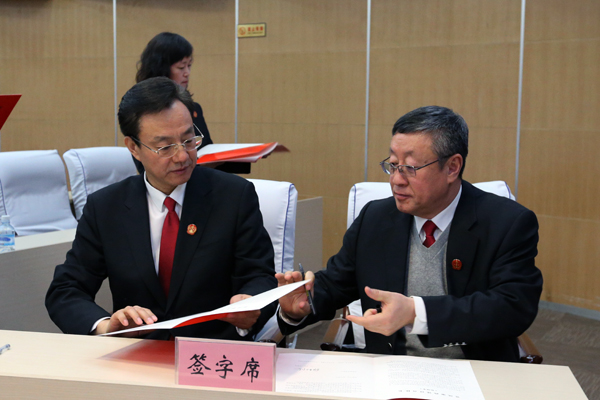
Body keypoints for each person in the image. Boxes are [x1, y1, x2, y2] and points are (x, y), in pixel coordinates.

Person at [276, 106, 543, 362]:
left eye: (411, 168)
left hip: (476, 373)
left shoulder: (507, 222)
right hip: (391, 370)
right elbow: (336, 283)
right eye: (393, 164)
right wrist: (301, 304)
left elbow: (513, 307)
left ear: (452, 167)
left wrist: (416, 313)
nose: (396, 179)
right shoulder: (376, 218)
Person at [46, 77, 276, 341]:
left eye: (189, 140)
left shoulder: (233, 196)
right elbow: (66, 290)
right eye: (165, 147)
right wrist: (106, 327)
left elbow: (260, 276)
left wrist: (251, 303)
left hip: (211, 351)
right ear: (133, 147)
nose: (182, 156)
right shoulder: (106, 208)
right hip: (135, 354)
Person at [134, 32, 248, 174]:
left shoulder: (194, 109)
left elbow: (207, 152)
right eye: (181, 67)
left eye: (189, 66)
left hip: (202, 181)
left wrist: (246, 156)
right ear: (161, 69)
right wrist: (201, 167)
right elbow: (147, 170)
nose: (187, 73)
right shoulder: (140, 112)